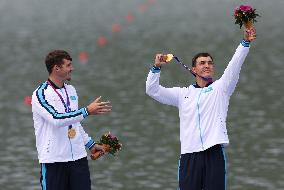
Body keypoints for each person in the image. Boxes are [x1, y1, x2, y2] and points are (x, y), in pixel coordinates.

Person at [146, 27, 256, 190]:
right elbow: (152, 90)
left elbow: (235, 65)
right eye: (202, 63)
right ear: (194, 69)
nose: (207, 66)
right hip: (189, 156)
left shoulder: (221, 88)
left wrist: (245, 42)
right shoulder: (182, 94)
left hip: (214, 154)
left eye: (210, 63)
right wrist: (156, 68)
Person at [32, 50, 112, 190]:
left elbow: (74, 122)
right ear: (56, 68)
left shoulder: (71, 90)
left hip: (78, 160)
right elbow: (56, 119)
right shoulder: (41, 94)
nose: (72, 69)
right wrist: (86, 111)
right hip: (54, 161)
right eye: (68, 65)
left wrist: (91, 144)